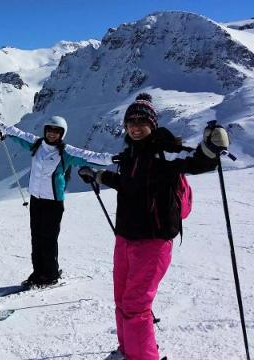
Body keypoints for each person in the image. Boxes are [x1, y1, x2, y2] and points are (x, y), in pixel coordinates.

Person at [78, 93, 229, 360]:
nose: (136, 127)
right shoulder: (131, 154)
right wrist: (100, 176)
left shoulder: (165, 152)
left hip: (153, 241)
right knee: (122, 298)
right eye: (131, 121)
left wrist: (210, 150)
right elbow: (131, 184)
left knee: (135, 305)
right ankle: (127, 350)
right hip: (125, 237)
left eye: (142, 121)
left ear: (153, 124)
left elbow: (195, 162)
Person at [0, 116, 115, 288]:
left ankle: (50, 275)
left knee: (48, 239)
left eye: (57, 131)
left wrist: (112, 159)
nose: (52, 134)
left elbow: (89, 156)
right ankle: (37, 273)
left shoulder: (66, 152)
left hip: (53, 203)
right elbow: (18, 135)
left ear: (62, 134)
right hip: (36, 199)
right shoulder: (36, 144)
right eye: (50, 130)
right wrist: (2, 127)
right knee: (36, 238)